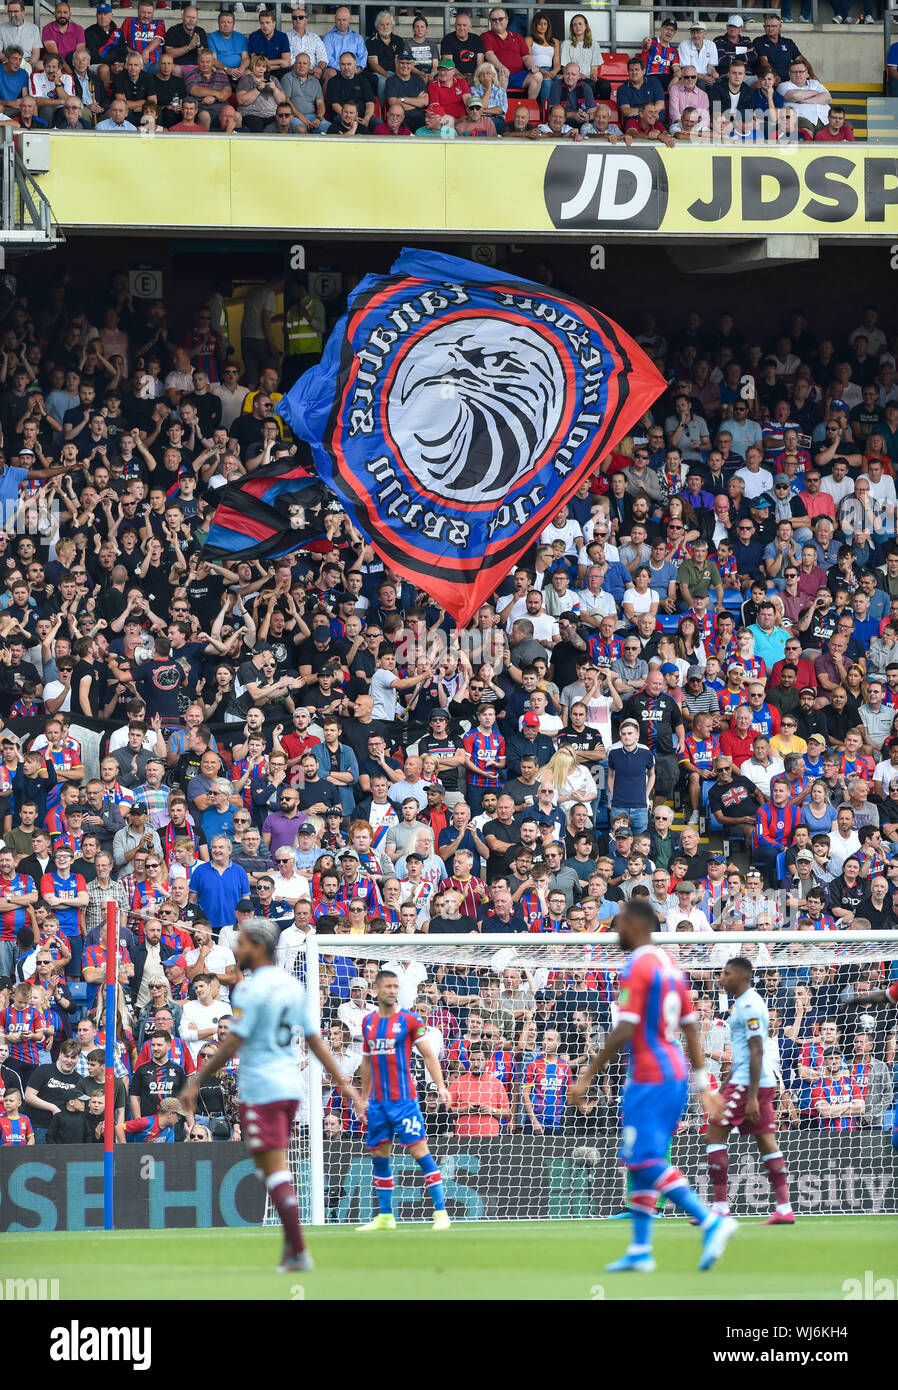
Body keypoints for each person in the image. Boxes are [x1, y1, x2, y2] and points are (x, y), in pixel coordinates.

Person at [181, 916, 362, 1272]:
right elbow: (313, 1038)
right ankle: (293, 1248)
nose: (237, 948)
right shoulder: (292, 986)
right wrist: (345, 1084)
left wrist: (197, 1078)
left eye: (243, 943)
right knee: (272, 1164)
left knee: (273, 1167)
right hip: (288, 1085)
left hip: (260, 1085)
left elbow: (234, 1039)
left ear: (259, 947)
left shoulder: (247, 989)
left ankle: (297, 1249)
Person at [568, 900, 735, 1273]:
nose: (616, 932)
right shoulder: (670, 967)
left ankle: (710, 1220)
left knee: (644, 1159)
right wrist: (701, 1082)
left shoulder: (638, 964)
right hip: (672, 1070)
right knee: (640, 1161)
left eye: (619, 924)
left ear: (635, 924)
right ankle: (641, 1250)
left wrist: (587, 1074)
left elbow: (625, 1027)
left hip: (650, 1072)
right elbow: (690, 1027)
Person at [356, 967, 452, 1233]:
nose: (392, 991)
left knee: (419, 1152)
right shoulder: (368, 1022)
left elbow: (429, 1055)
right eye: (387, 986)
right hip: (377, 1102)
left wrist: (441, 1087)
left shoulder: (409, 1020)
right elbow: (366, 1062)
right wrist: (364, 1098)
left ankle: (441, 1212)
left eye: (395, 987)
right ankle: (386, 1217)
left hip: (404, 1100)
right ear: (375, 989)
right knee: (379, 1155)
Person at [704, 957, 793, 1224]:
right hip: (749, 1080)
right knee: (766, 1142)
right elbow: (744, 1053)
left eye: (726, 973)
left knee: (714, 1135)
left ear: (741, 976)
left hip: (748, 1084)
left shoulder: (750, 1006)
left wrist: (751, 1095)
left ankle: (720, 1208)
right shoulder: (744, 1003)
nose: (722, 978)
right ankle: (785, 1209)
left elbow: (756, 1051)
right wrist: (722, 1088)